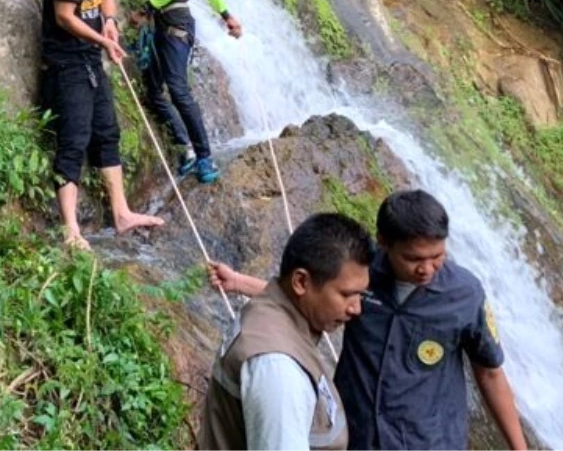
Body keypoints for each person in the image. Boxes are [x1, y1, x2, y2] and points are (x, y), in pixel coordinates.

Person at [209, 190, 528, 451]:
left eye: (437, 257)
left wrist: (519, 448)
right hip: (356, 433)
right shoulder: (361, 274)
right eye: (414, 259)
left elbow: (489, 372)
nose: (427, 270)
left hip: (427, 441)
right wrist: (239, 282)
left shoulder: (465, 294)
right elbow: (309, 294)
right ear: (385, 243)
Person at [41, 0, 165, 250]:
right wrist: (101, 39)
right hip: (68, 68)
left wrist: (108, 21)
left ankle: (122, 212)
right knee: (74, 142)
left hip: (90, 65)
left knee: (107, 134)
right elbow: (64, 16)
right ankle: (71, 230)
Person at [199, 213, 374, 450]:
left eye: (360, 294)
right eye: (346, 294)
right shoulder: (279, 371)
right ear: (301, 282)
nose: (356, 308)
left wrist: (239, 282)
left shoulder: (270, 313)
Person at [134, 0, 242, 183]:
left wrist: (145, 9)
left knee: (178, 91)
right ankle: (188, 149)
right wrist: (226, 15)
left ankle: (204, 157)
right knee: (154, 90)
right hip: (174, 24)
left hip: (173, 25)